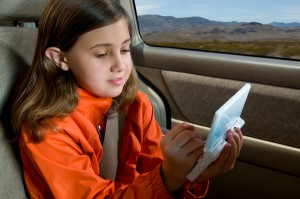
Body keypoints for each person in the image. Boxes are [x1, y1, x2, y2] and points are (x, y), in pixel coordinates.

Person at [11, 0, 243, 198]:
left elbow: (154, 169)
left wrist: (191, 174)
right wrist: (167, 178)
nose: (120, 66)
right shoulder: (48, 130)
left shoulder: (136, 104)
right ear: (60, 59)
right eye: (102, 54)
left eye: (124, 50)